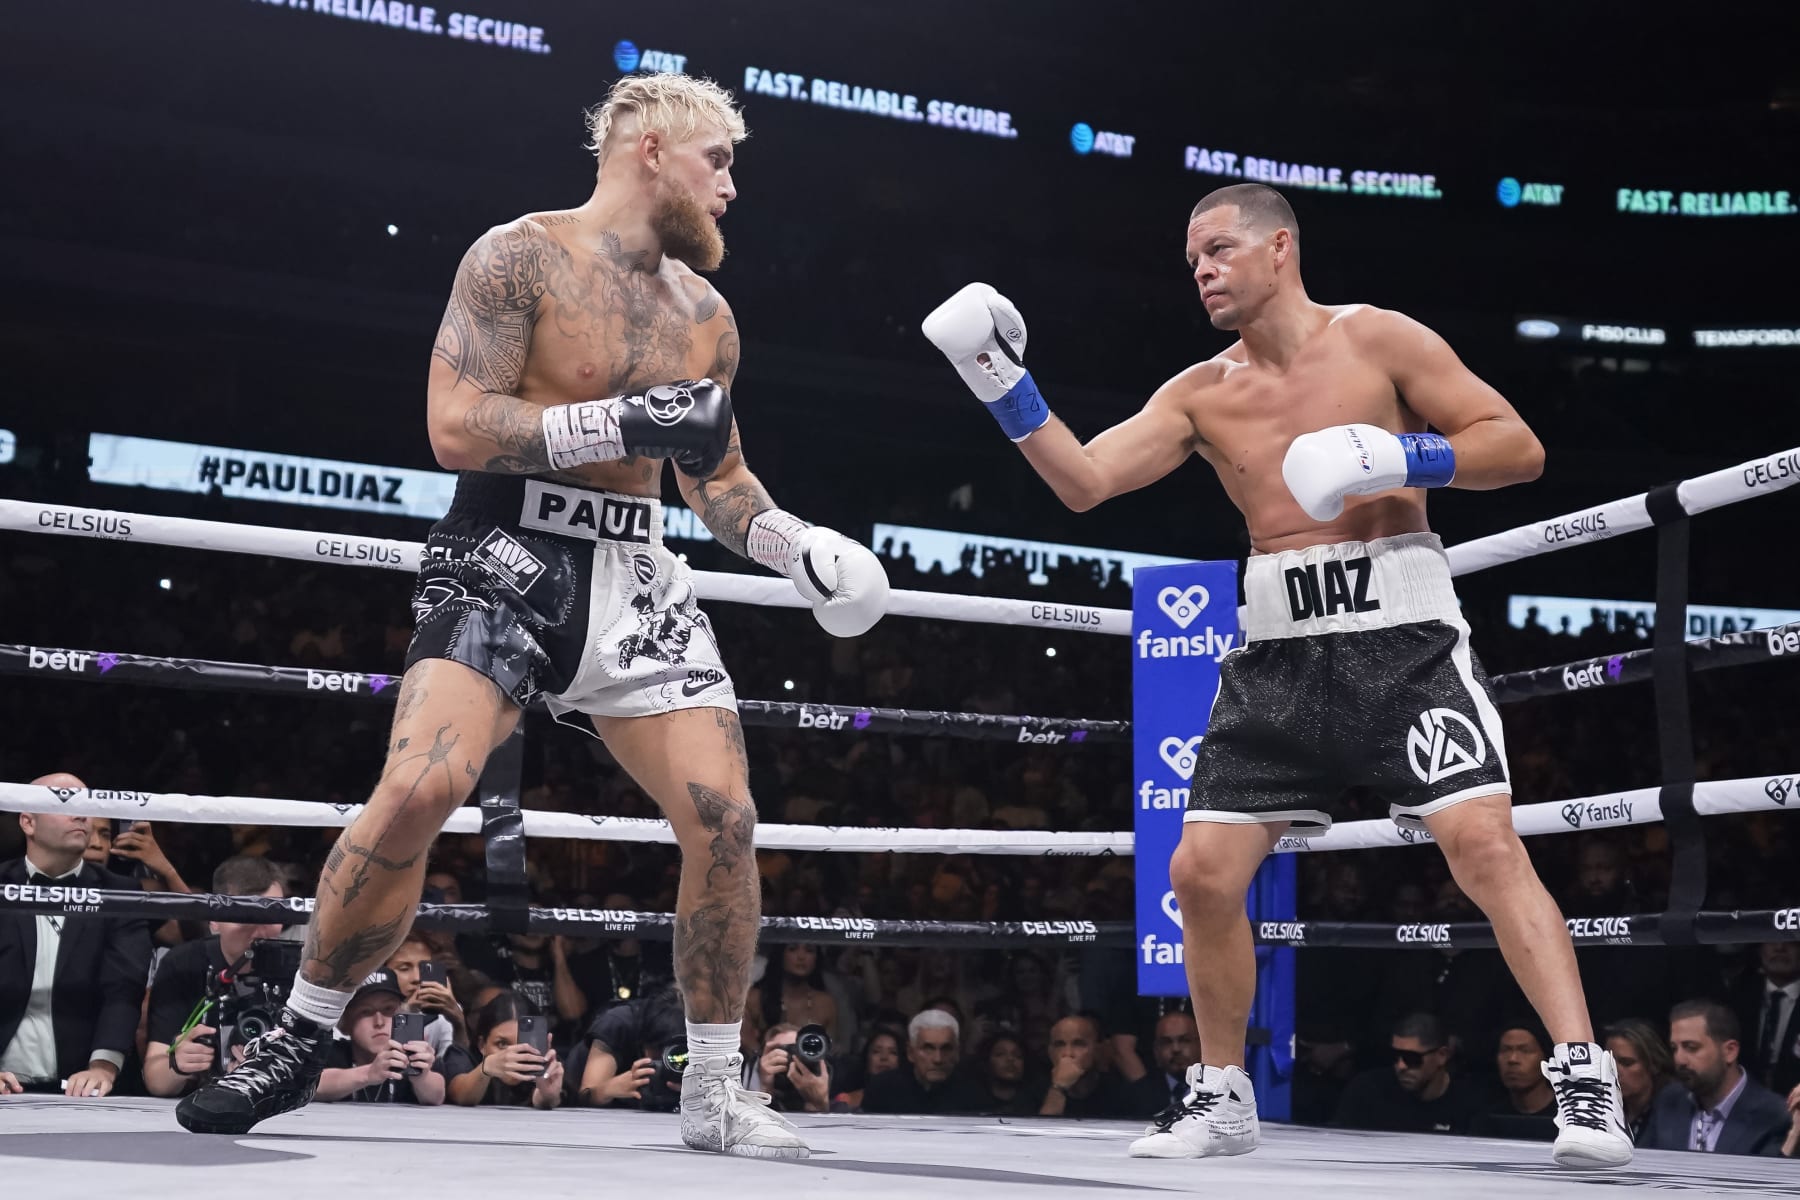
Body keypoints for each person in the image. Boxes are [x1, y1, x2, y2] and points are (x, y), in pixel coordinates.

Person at [175, 72, 887, 1161]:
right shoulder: (518, 254)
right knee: (420, 786)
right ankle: (300, 1037)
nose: (733, 187)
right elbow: (455, 427)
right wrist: (617, 412)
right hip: (502, 551)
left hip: (635, 569)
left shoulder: (709, 315)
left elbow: (718, 480)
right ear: (650, 145)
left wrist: (800, 548)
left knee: (728, 820)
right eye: (721, 160)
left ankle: (711, 1087)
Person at [924, 181, 1629, 1168]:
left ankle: (1585, 1078)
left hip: (1402, 640)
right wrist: (997, 378)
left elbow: (1517, 449)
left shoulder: (1379, 340)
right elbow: (1083, 481)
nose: (1202, 270)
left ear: (1280, 250)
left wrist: (1396, 457)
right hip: (1277, 655)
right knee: (1201, 871)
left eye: (1217, 249)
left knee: (1484, 844)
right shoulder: (1200, 393)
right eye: (1191, 260)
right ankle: (1221, 1095)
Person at [0, 774, 152, 1099]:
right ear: (28, 822)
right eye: (63, 803)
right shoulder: (1, 886)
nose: (81, 814)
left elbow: (124, 988)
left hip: (85, 1085)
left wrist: (103, 1066)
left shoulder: (119, 893)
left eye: (86, 805)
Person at [1642, 1000, 1790, 1155]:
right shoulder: (1669, 1099)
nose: (1680, 1060)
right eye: (1674, 1049)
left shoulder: (1774, 1114)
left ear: (1730, 1051)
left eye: (1691, 1048)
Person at [1329, 1013, 1487, 1136]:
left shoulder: (1468, 1104)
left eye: (1412, 1058)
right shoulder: (1366, 1091)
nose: (1401, 1066)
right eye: (1395, 1056)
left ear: (1442, 1055)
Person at [1602, 1017, 1682, 1145]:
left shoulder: (1674, 1111)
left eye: (1627, 1063)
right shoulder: (1601, 1109)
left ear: (1654, 1064)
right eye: (1608, 1062)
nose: (1614, 1072)